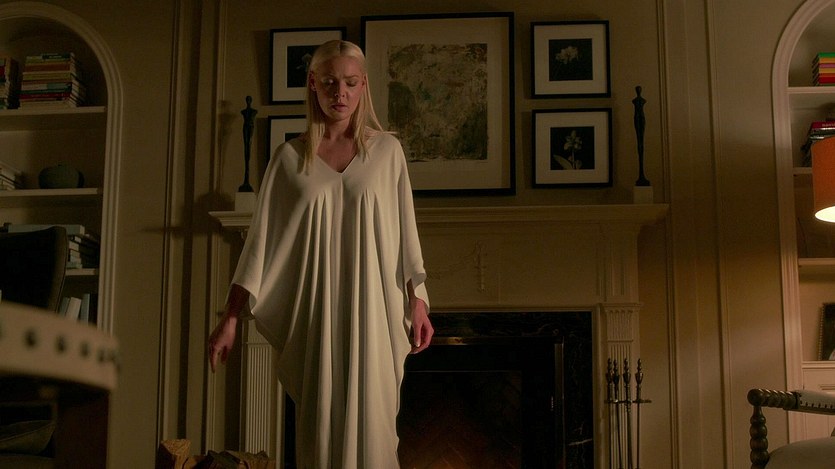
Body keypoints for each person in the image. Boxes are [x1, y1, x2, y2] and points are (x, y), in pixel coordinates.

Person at [207, 39, 434, 468]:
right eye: (330, 83)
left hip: (376, 313)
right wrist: (231, 317)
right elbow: (260, 244)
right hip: (317, 317)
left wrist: (418, 301)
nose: (340, 93)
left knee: (377, 432)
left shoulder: (387, 153)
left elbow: (407, 233)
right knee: (322, 433)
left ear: (363, 85)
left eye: (350, 83)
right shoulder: (289, 160)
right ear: (313, 84)